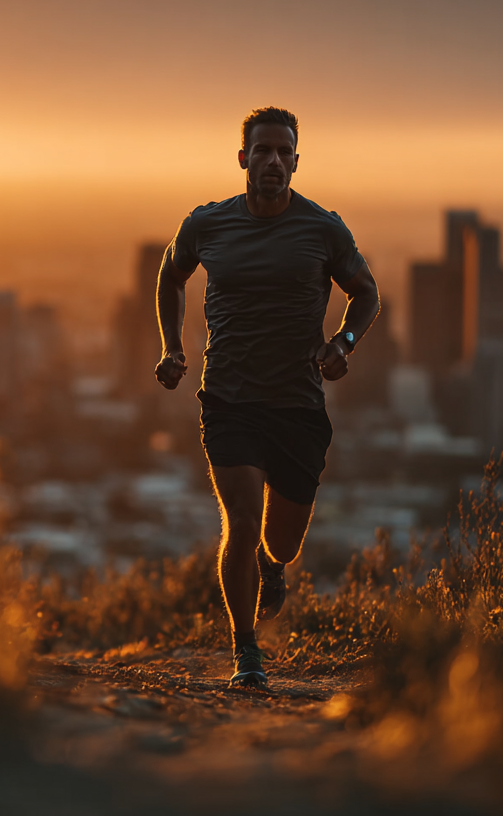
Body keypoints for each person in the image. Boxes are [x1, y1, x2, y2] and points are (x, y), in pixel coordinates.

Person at [153, 107, 381, 688]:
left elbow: (366, 292)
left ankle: (273, 570)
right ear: (243, 159)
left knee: (280, 542)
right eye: (263, 151)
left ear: (297, 162)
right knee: (242, 522)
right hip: (228, 399)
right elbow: (170, 274)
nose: (273, 160)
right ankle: (245, 650)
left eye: (285, 152)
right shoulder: (207, 224)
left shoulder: (323, 229)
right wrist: (172, 347)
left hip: (298, 405)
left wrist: (345, 343)